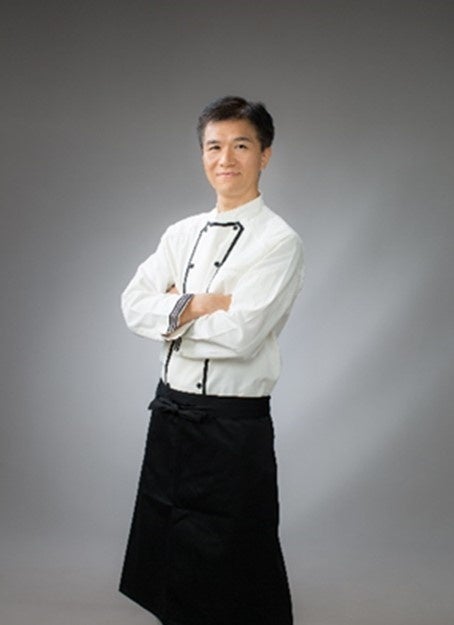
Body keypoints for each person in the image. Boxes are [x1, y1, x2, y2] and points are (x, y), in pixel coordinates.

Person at [119, 96, 304, 625]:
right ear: (202, 154)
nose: (226, 159)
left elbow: (241, 335)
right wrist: (199, 304)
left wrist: (170, 316)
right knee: (168, 549)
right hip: (170, 414)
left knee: (237, 553)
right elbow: (131, 305)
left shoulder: (278, 241)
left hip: (232, 424)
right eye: (214, 146)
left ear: (264, 155)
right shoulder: (180, 234)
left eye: (241, 145)